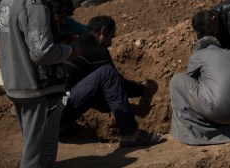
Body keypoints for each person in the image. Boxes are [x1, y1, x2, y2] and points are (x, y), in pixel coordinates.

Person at [0, 0, 78, 168]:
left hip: (17, 85)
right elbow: (42, 53)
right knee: (39, 158)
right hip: (38, 92)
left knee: (33, 149)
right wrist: (70, 51)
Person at [61, 15, 163, 147]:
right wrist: (142, 89)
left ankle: (63, 126)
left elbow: (100, 95)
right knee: (108, 74)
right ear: (103, 31)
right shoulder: (96, 50)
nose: (110, 43)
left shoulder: (76, 44)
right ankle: (130, 134)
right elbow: (118, 84)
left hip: (50, 112)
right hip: (61, 109)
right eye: (111, 37)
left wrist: (132, 108)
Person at [170, 36, 230, 145]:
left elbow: (191, 78)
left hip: (219, 111)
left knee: (177, 80)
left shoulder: (198, 55)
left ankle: (191, 133)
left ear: (199, 49)